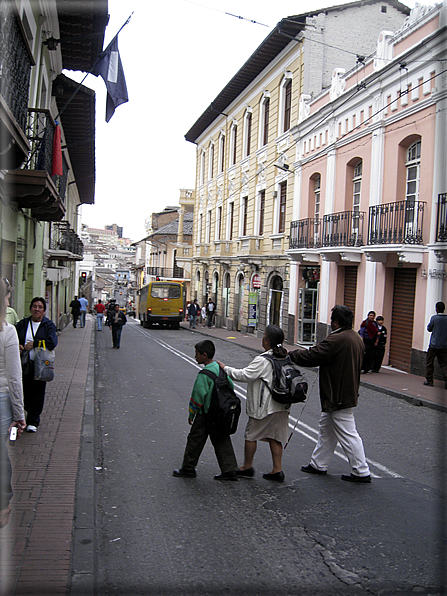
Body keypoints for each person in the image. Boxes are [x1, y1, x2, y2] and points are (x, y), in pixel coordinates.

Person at [289, 305, 371, 483]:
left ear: (335, 322)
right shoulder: (356, 337)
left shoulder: (337, 339)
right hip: (346, 391)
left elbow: (312, 355)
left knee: (348, 432)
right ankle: (318, 463)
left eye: (332, 320)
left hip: (338, 393)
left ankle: (361, 470)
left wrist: (290, 355)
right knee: (326, 429)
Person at [218, 325, 290, 483]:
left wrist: (225, 368)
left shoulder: (263, 360)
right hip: (282, 405)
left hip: (264, 406)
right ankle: (277, 470)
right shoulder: (285, 357)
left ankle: (247, 466)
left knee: (251, 435)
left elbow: (244, 375)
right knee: (275, 437)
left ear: (267, 340)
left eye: (264, 336)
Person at [173, 340, 238, 480]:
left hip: (205, 414)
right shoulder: (221, 369)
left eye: (196, 354)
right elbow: (231, 387)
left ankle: (188, 468)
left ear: (204, 355)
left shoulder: (204, 375)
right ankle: (230, 469)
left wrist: (192, 413)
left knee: (195, 440)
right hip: (220, 413)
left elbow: (197, 396)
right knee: (221, 439)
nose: (195, 356)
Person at [0, 279, 26, 528]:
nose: (9, 302)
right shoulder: (7, 331)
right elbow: (14, 377)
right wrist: (19, 413)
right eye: (7, 297)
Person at [16, 297, 58, 433]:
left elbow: (52, 342)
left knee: (38, 392)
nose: (37, 309)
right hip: (24, 364)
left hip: (40, 365)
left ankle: (33, 420)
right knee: (24, 390)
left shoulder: (48, 325)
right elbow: (14, 338)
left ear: (44, 311)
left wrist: (35, 343)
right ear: (31, 309)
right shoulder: (23, 324)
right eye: (34, 307)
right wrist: (19, 346)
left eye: (40, 307)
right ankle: (24, 415)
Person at [424, 301, 447, 388]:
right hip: (444, 345)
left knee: (429, 362)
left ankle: (429, 381)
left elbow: (429, 329)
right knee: (444, 364)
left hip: (434, 345)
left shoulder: (434, 318)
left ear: (436, 309)